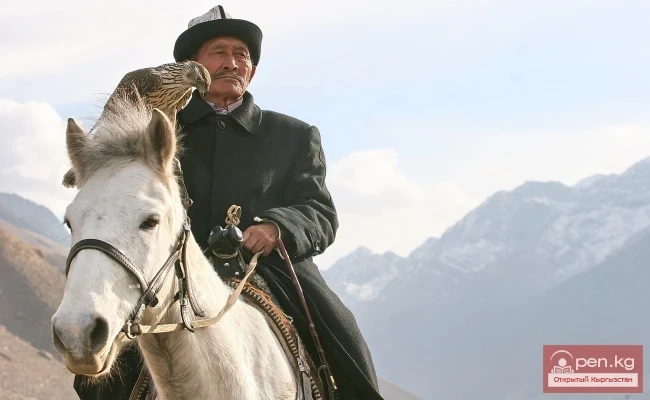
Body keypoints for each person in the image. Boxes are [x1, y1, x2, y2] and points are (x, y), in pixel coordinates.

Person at [73, 5, 385, 400]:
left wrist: (277, 227)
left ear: (252, 70)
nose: (232, 63)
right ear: (193, 64)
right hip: (172, 269)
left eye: (242, 55)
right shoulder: (157, 130)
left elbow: (319, 212)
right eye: (219, 52)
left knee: (341, 329)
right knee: (106, 369)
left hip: (269, 269)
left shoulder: (293, 135)